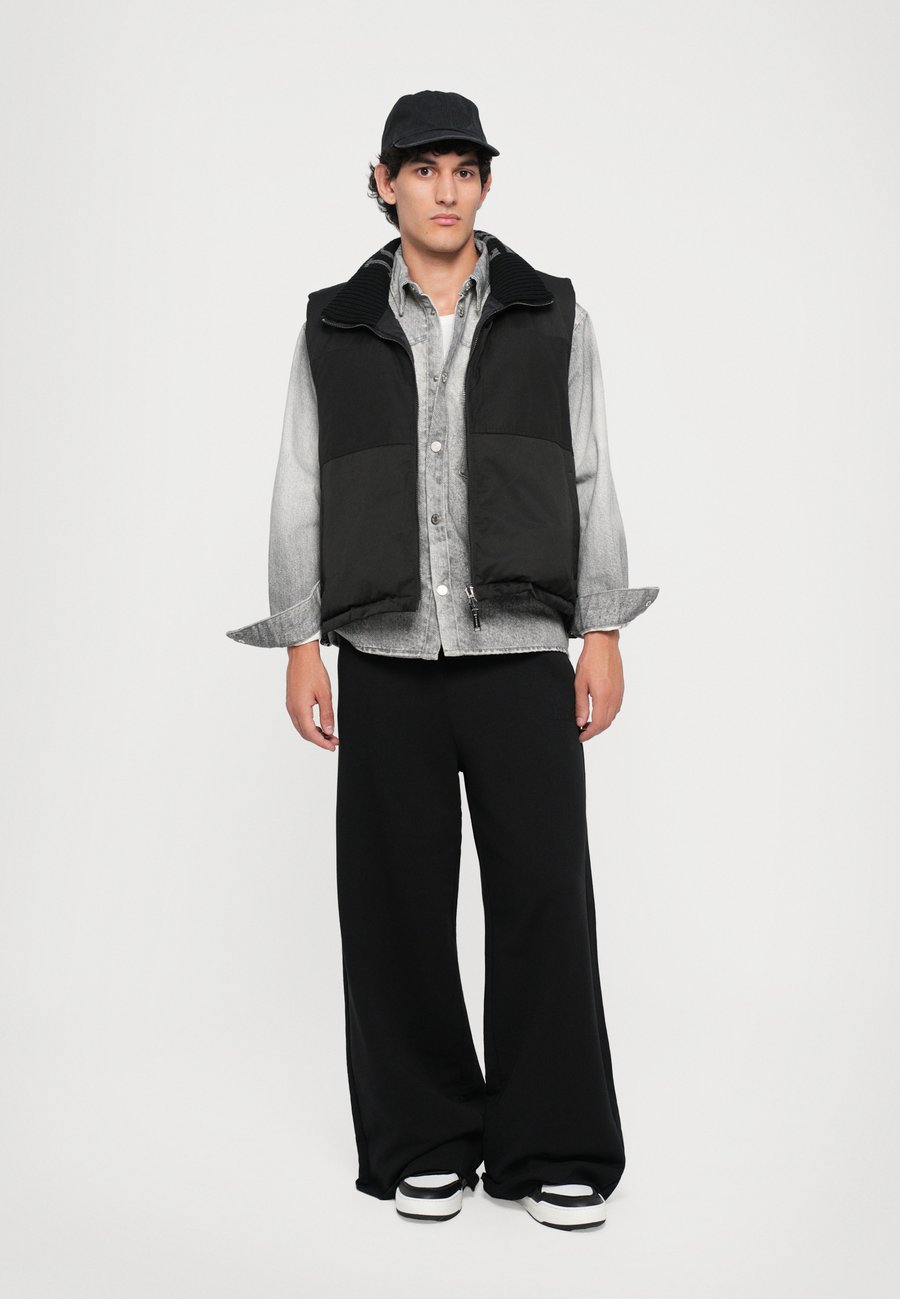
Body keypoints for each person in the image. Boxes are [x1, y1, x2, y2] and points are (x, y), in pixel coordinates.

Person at [226, 89, 659, 1232]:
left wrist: (602, 630)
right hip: (383, 649)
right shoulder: (334, 325)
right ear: (384, 183)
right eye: (423, 170)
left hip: (518, 646)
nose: (446, 190)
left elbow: (590, 473)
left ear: (485, 183)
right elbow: (301, 483)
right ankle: (424, 1137)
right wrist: (299, 640)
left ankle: (555, 1143)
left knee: (543, 898)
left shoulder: (550, 312)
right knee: (395, 905)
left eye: (464, 169)